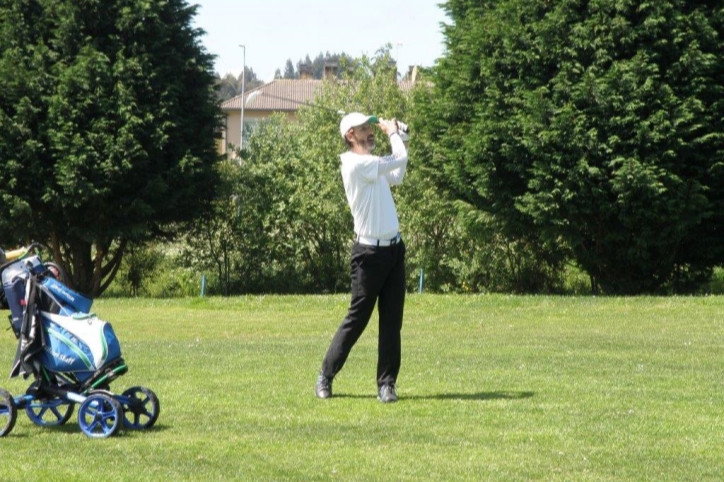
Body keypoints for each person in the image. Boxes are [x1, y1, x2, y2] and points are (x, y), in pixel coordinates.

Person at [315, 112, 408, 403]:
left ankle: (387, 385)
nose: (370, 132)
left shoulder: (371, 165)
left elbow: (398, 174)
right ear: (349, 136)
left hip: (393, 250)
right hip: (368, 255)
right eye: (363, 129)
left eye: (371, 127)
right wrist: (393, 133)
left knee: (392, 321)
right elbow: (399, 159)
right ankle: (326, 374)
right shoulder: (356, 163)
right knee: (357, 319)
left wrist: (399, 136)